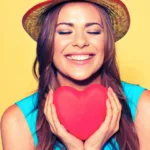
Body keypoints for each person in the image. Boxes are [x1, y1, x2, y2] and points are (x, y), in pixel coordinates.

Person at [1, 0, 150, 150]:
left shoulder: (143, 107)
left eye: (93, 31)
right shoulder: (18, 121)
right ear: (48, 42)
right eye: (65, 32)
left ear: (107, 41)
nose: (80, 42)